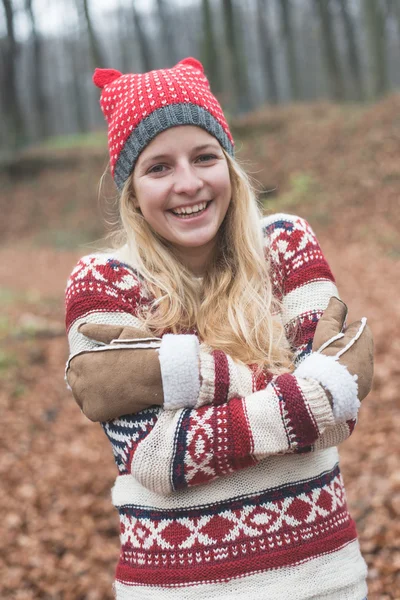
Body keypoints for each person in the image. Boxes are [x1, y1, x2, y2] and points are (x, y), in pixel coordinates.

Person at [65, 57, 373, 600]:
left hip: (321, 577)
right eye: (158, 167)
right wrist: (282, 386)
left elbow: (336, 409)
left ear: (228, 164)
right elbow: (155, 457)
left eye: (204, 157)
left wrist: (177, 375)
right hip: (180, 589)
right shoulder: (103, 282)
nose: (188, 183)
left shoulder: (286, 245)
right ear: (131, 190)